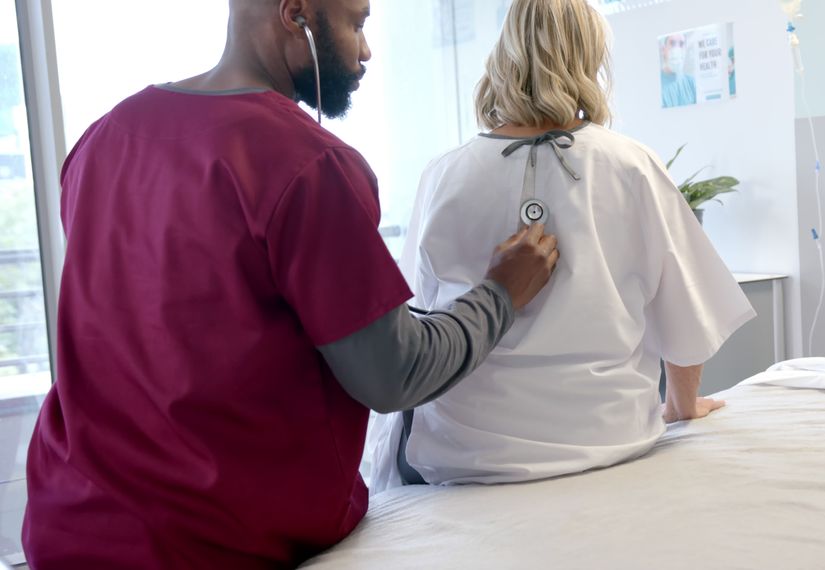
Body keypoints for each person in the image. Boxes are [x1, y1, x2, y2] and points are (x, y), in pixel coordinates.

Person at [21, 0, 559, 568]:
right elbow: (395, 374)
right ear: (295, 13)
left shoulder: (103, 138)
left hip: (66, 528)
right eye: (357, 24)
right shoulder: (308, 163)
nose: (366, 51)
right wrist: (502, 291)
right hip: (206, 545)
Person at [367, 0, 754, 491]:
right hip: (609, 440)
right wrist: (682, 407)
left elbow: (421, 317)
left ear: (505, 53)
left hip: (467, 457)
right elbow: (684, 313)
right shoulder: (631, 165)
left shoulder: (446, 174)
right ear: (588, 56)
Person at [660, 32, 696, 108]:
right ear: (663, 50)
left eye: (681, 44)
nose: (677, 49)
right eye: (672, 43)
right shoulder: (657, 85)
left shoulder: (692, 83)